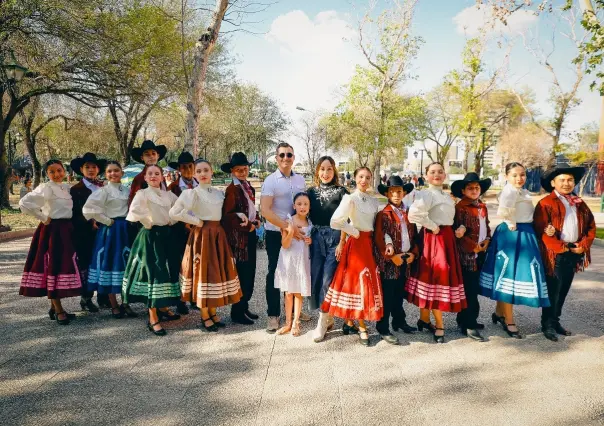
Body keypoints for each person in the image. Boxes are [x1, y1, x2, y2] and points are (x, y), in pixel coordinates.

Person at [479, 162, 553, 339]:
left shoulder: (522, 191)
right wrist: (512, 224)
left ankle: (499, 313)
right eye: (514, 175)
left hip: (525, 232)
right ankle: (509, 320)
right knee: (509, 275)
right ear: (506, 176)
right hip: (513, 233)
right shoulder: (509, 191)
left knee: (511, 275)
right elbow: (504, 212)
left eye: (522, 175)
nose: (519, 178)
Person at [170, 159, 242, 332]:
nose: (202, 174)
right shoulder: (191, 193)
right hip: (202, 236)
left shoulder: (218, 193)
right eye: (199, 171)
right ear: (194, 174)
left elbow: (224, 214)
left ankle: (213, 311)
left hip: (218, 236)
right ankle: (204, 314)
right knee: (203, 273)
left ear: (211, 173)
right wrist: (196, 221)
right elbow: (174, 213)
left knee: (216, 273)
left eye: (206, 170)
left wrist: (239, 214)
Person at [321, 167, 382, 346]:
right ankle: (361, 325)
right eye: (361, 177)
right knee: (357, 283)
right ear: (355, 178)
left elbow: (373, 223)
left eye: (368, 177)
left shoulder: (372, 200)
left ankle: (349, 322)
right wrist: (353, 232)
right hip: (356, 244)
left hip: (369, 244)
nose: (364, 180)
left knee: (364, 281)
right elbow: (335, 221)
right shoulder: (350, 198)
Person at [406, 162, 467, 344]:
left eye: (440, 172)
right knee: (436, 277)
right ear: (426, 175)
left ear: (445, 175)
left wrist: (459, 227)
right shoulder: (426, 194)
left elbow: (450, 218)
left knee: (434, 278)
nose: (437, 175)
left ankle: (424, 319)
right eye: (432, 172)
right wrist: (433, 227)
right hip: (434, 240)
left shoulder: (446, 196)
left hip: (446, 239)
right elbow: (414, 215)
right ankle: (439, 324)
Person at [534, 164, 596, 341]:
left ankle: (555, 320)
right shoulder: (545, 203)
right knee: (554, 289)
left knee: (564, 289)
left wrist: (584, 245)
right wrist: (562, 247)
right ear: (553, 183)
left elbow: (590, 226)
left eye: (570, 180)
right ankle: (548, 324)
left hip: (575, 251)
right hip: (556, 253)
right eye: (562, 180)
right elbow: (541, 230)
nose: (567, 183)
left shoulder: (579, 203)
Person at [19, 160, 81, 325]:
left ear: (64, 171)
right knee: (52, 267)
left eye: (59, 170)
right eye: (52, 171)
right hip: (52, 231)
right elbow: (24, 203)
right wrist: (43, 218)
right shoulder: (45, 188)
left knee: (61, 267)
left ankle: (55, 308)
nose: (56, 174)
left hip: (66, 230)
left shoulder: (67, 188)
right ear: (47, 174)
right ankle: (59, 309)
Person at [122, 165, 182, 335]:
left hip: (166, 236)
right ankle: (153, 316)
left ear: (162, 177)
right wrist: (148, 222)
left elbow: (180, 209)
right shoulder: (142, 194)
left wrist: (172, 220)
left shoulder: (168, 195)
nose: (154, 176)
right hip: (150, 236)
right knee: (153, 272)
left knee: (167, 271)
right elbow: (134, 212)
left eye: (157, 173)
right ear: (145, 178)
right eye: (150, 174)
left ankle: (162, 307)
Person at [260, 142, 307, 333]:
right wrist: (287, 227)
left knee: (296, 270)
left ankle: (295, 311)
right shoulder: (271, 181)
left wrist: (299, 228)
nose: (286, 158)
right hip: (275, 232)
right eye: (282, 155)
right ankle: (273, 314)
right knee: (274, 271)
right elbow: (265, 210)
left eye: (289, 155)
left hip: (296, 232)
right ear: (276, 158)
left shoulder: (300, 180)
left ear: (293, 157)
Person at [82, 161, 135, 319]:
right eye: (110, 171)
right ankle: (114, 304)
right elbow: (88, 209)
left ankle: (126, 303)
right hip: (111, 231)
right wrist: (106, 220)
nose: (113, 174)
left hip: (125, 229)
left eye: (116, 171)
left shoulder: (128, 190)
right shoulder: (103, 191)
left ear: (122, 173)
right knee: (111, 262)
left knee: (125, 264)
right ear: (106, 174)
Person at [373, 177, 418, 345]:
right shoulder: (384, 214)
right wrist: (391, 257)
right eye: (392, 191)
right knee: (388, 295)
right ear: (387, 193)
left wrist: (414, 253)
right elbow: (379, 239)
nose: (396, 194)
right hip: (391, 262)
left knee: (399, 293)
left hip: (405, 260)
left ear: (404, 193)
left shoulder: (408, 213)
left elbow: (414, 236)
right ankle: (382, 326)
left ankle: (399, 321)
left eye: (399, 191)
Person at [308, 156, 348, 342]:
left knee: (328, 279)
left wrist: (342, 242)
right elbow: (299, 213)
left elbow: (347, 220)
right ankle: (328, 315)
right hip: (316, 239)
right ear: (317, 171)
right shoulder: (310, 192)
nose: (325, 173)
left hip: (335, 238)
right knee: (316, 278)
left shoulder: (342, 192)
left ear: (334, 171)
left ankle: (322, 321)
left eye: (329, 169)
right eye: (322, 169)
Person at [451, 172, 492, 342]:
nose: (474, 190)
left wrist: (488, 239)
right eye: (470, 188)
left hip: (480, 251)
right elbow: (457, 232)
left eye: (477, 188)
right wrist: (472, 246)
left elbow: (486, 226)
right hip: (467, 254)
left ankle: (464, 319)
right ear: (463, 190)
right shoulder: (461, 207)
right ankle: (469, 323)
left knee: (473, 288)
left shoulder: (482, 206)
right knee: (470, 291)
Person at [221, 152, 260, 325]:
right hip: (239, 239)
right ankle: (237, 311)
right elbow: (228, 216)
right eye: (239, 170)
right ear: (232, 171)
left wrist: (256, 220)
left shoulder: (247, 186)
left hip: (250, 233)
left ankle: (244, 307)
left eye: (245, 169)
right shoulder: (232, 190)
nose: (243, 172)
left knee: (250, 272)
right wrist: (246, 224)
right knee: (243, 274)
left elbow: (251, 209)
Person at [69, 152, 107, 312]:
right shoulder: (76, 190)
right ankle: (86, 297)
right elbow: (75, 213)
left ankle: (104, 297)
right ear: (82, 170)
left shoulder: (104, 187)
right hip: (85, 233)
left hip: (104, 229)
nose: (91, 170)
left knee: (103, 262)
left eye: (94, 167)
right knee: (87, 264)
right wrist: (90, 221)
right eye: (87, 167)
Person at [274, 192, 313, 336]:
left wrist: (310, 241)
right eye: (299, 204)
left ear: (309, 206)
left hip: (302, 261)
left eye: (305, 204)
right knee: (288, 293)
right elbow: (284, 244)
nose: (302, 207)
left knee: (298, 292)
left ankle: (296, 322)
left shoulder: (310, 223)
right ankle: (288, 323)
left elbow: (310, 242)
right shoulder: (288, 221)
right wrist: (291, 232)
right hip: (288, 260)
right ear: (294, 206)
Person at [167, 151, 199, 314]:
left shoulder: (199, 184)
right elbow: (171, 210)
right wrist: (184, 222)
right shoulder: (173, 188)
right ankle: (180, 300)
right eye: (184, 167)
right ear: (179, 169)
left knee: (196, 264)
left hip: (197, 231)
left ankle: (194, 297)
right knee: (180, 265)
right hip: (179, 232)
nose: (187, 169)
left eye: (190, 166)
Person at [128, 140, 168, 207]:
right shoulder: (139, 179)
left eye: (153, 153)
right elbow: (133, 203)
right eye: (147, 154)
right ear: (142, 158)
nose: (151, 156)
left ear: (157, 156)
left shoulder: (162, 177)